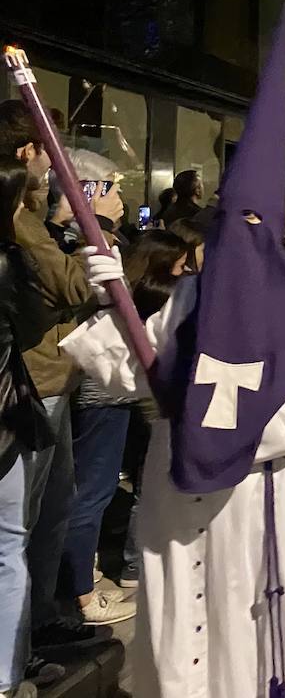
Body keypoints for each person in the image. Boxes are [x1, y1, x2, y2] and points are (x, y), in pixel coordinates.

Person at [61, 22, 285, 698]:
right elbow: (119, 362)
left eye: (256, 225)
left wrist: (236, 431)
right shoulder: (187, 298)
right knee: (188, 621)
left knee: (251, 626)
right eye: (231, 225)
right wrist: (107, 294)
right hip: (180, 488)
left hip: (262, 493)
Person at [0, 100, 104, 652]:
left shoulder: (30, 211)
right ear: (27, 152)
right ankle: (17, 644)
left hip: (52, 378)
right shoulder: (16, 219)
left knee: (51, 510)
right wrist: (94, 261)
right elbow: (69, 287)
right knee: (21, 522)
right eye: (49, 149)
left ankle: (37, 620)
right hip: (32, 385)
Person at [60, 230, 189, 626]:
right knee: (92, 494)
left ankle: (81, 577)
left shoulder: (134, 291)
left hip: (109, 401)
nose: (186, 273)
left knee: (93, 492)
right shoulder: (146, 296)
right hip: (105, 400)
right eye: (182, 266)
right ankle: (80, 592)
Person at [0, 157, 58, 698]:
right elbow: (49, 311)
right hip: (4, 425)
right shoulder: (11, 263)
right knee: (9, 544)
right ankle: (5, 675)